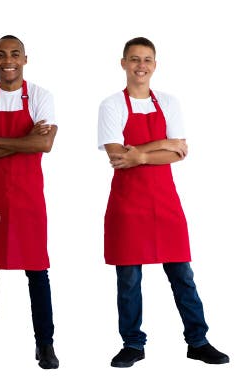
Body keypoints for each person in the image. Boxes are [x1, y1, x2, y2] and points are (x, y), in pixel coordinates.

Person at [98, 37, 230, 368]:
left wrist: (139, 152)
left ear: (154, 65)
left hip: (166, 203)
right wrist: (161, 146)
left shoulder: (169, 102)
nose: (141, 65)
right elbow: (117, 156)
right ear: (123, 63)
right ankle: (132, 344)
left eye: (147, 60)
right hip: (127, 205)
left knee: (182, 274)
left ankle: (198, 341)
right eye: (134, 59)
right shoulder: (112, 106)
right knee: (128, 280)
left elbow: (180, 151)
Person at [0, 35, 59, 370]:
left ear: (25, 59)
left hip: (29, 199)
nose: (9, 60)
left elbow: (44, 145)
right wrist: (24, 141)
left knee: (38, 273)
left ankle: (45, 344)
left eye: (15, 54)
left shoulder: (42, 97)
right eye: (2, 55)